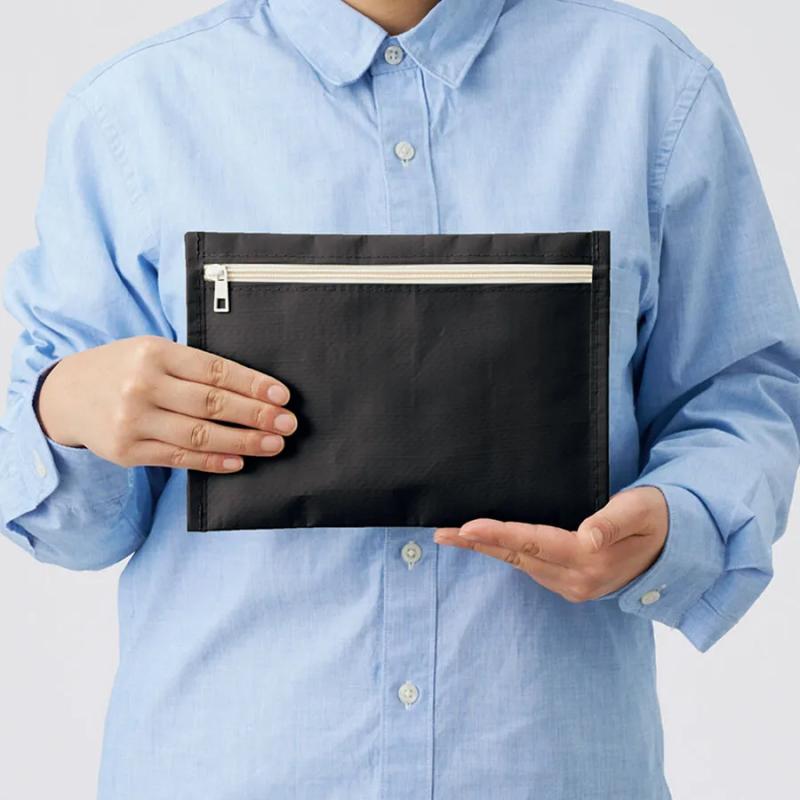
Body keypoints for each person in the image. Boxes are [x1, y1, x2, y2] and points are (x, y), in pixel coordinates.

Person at [1, 0, 798, 797]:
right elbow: (79, 535)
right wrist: (60, 412)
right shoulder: (131, 114)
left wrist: (678, 516)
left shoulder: (651, 88)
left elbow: (741, 393)